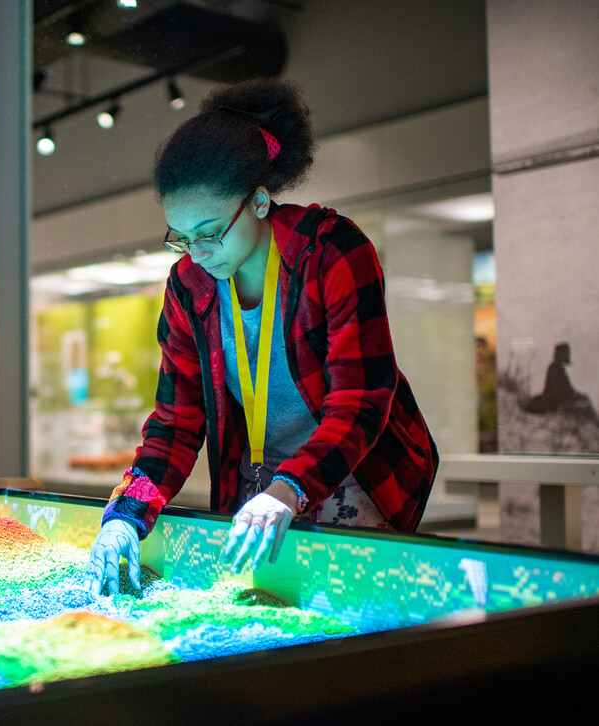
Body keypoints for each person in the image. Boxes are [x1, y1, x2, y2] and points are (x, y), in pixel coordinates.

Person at [86, 78, 439, 595]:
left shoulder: (332, 252)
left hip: (351, 471)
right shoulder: (188, 286)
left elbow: (362, 399)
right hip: (257, 484)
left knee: (346, 616)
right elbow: (176, 422)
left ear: (257, 200)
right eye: (181, 238)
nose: (198, 253)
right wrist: (127, 513)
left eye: (209, 232)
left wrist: (289, 488)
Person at [524, 342, 599, 422]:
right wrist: (572, 396)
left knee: (584, 399)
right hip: (554, 402)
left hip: (557, 400)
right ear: (561, 354)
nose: (569, 355)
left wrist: (575, 394)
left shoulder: (558, 368)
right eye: (567, 353)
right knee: (584, 404)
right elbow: (558, 389)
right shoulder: (555, 368)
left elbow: (568, 388)